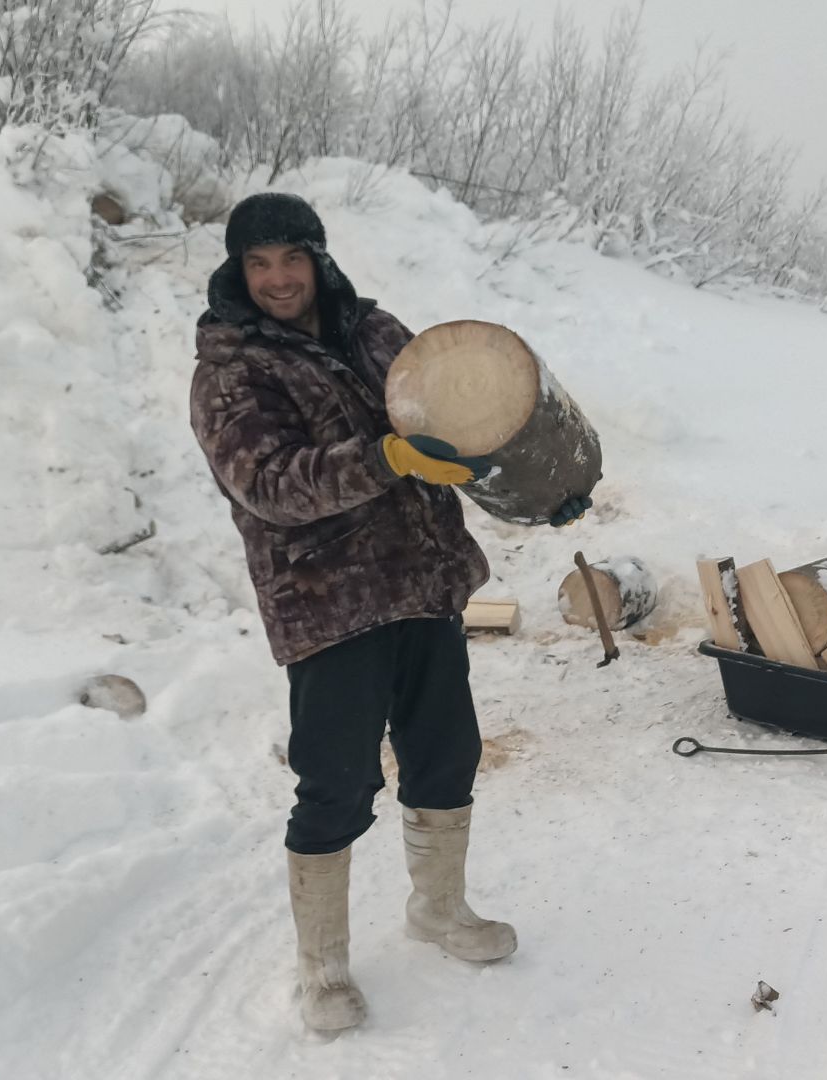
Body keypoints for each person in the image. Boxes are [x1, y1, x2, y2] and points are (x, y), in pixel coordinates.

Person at [189, 193, 588, 1033]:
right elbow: (270, 485)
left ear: (318, 258)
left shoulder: (376, 333)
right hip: (327, 601)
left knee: (447, 756)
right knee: (336, 783)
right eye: (258, 264)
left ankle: (439, 910)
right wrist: (385, 458)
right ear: (238, 270)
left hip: (422, 583)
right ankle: (322, 967)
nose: (276, 279)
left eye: (290, 258)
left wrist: (538, 488)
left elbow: (461, 431)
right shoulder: (230, 370)